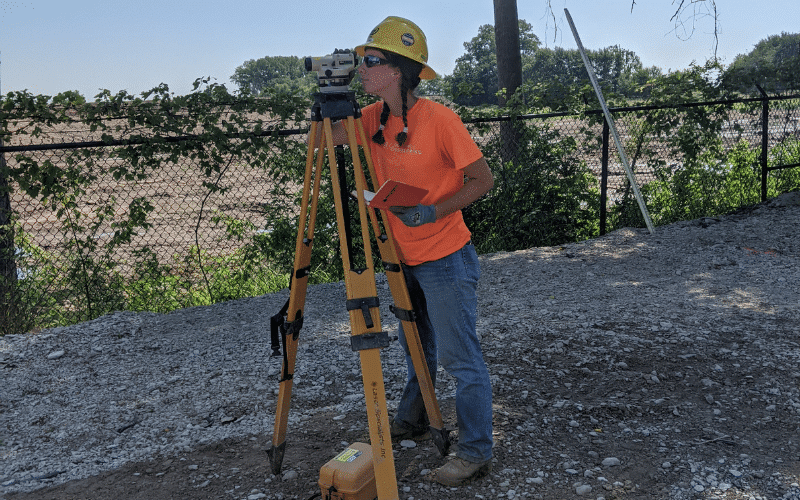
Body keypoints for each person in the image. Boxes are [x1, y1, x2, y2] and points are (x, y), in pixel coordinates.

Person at [318, 16, 495, 487]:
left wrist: (433, 212)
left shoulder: (441, 120)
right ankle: (414, 419)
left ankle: (475, 451)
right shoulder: (372, 118)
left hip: (444, 256)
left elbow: (482, 180)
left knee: (460, 357)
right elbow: (323, 142)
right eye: (361, 61)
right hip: (400, 256)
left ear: (397, 70)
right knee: (416, 342)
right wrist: (329, 101)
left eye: (370, 61)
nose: (362, 69)